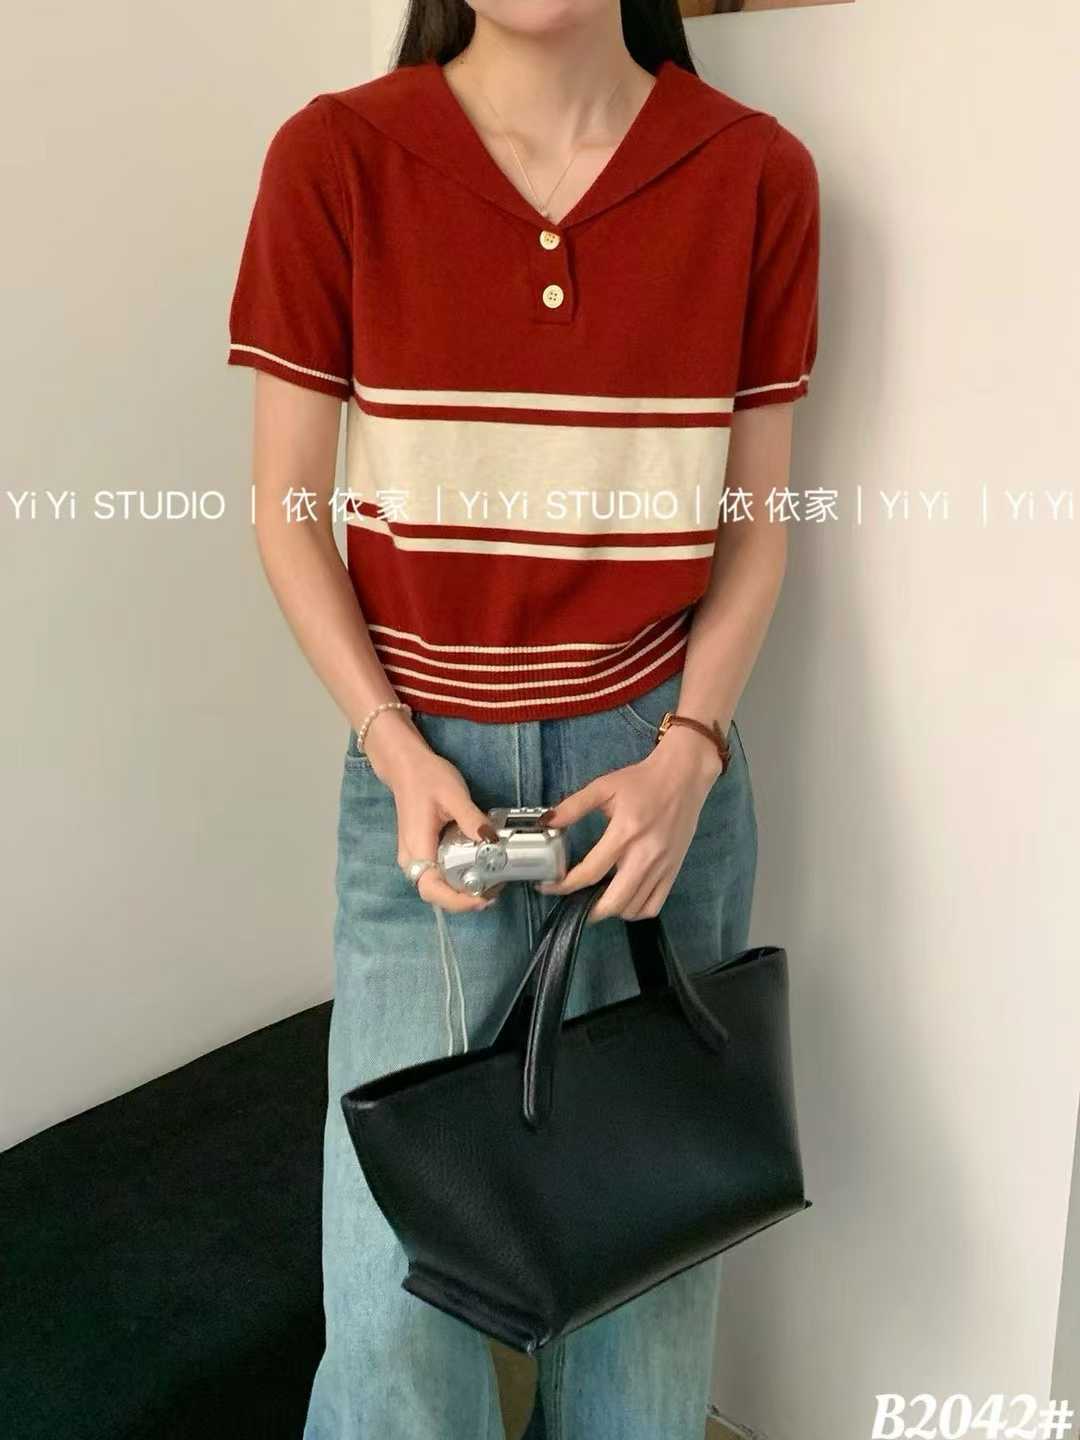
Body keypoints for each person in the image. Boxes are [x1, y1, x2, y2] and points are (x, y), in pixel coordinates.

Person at [225, 0, 819, 1434]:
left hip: (657, 781)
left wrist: (689, 755)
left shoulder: (753, 171)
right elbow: (287, 511)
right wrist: (393, 744)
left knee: (648, 1267)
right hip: (422, 776)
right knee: (394, 1300)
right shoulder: (335, 158)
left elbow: (757, 520)